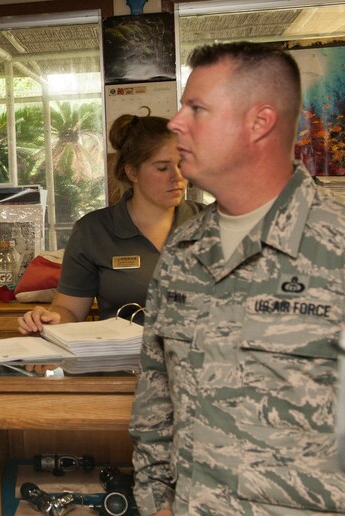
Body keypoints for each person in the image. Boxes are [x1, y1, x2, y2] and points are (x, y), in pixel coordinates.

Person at [129, 42, 345, 515]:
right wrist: (157, 499)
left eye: (197, 109)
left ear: (259, 122)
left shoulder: (336, 249)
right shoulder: (183, 250)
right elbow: (156, 394)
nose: (176, 123)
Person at [18, 114, 202, 334]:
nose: (178, 176)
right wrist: (49, 319)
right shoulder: (93, 231)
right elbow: (70, 310)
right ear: (132, 172)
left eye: (182, 164)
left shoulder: (214, 222)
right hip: (125, 355)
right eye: (163, 168)